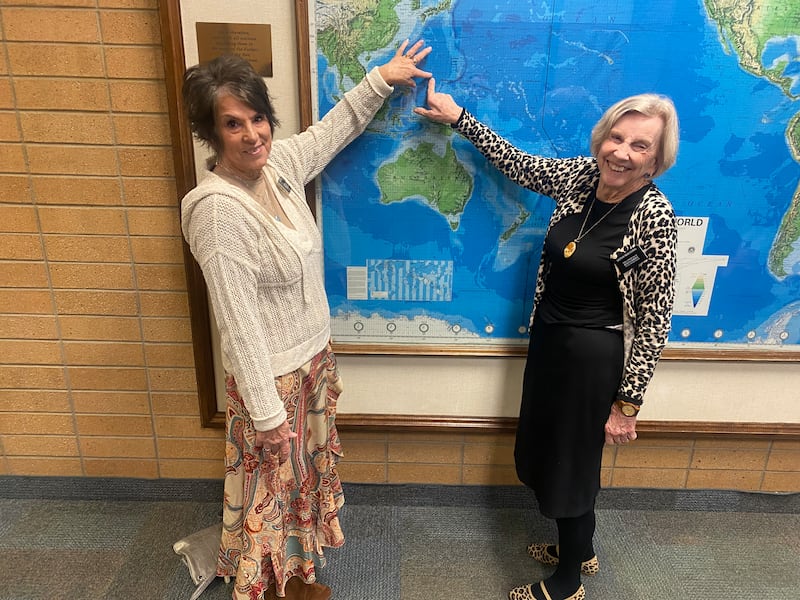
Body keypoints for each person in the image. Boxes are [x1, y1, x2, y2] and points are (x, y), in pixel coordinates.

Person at [180, 41, 432, 600]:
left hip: (311, 361)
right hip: (271, 378)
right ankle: (266, 585)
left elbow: (329, 132)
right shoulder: (218, 211)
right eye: (234, 124)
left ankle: (291, 573)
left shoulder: (278, 170)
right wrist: (267, 417)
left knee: (301, 483)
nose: (253, 134)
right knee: (275, 486)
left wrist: (381, 78)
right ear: (211, 134)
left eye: (258, 118)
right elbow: (238, 324)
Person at [415, 81, 679, 600]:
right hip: (552, 345)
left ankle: (567, 584)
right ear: (602, 138)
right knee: (556, 454)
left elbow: (655, 320)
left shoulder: (654, 217)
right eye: (616, 138)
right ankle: (580, 548)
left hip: (591, 358)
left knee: (572, 464)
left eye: (639, 145)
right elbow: (518, 164)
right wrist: (458, 117)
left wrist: (627, 404)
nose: (621, 152)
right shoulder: (582, 179)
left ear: (655, 161)